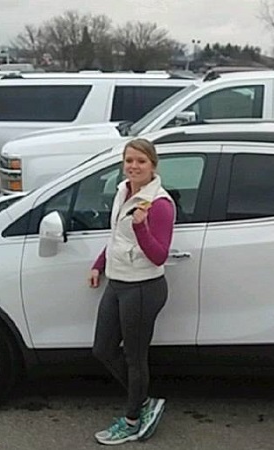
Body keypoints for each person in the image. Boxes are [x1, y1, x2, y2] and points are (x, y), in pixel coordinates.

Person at [88, 138, 175, 445]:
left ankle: (131, 421)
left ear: (153, 165)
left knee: (135, 357)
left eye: (141, 161)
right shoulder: (124, 190)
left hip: (143, 288)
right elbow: (117, 236)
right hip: (118, 281)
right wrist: (100, 263)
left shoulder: (160, 204)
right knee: (102, 348)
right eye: (129, 160)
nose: (134, 166)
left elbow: (159, 255)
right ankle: (145, 402)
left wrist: (142, 226)